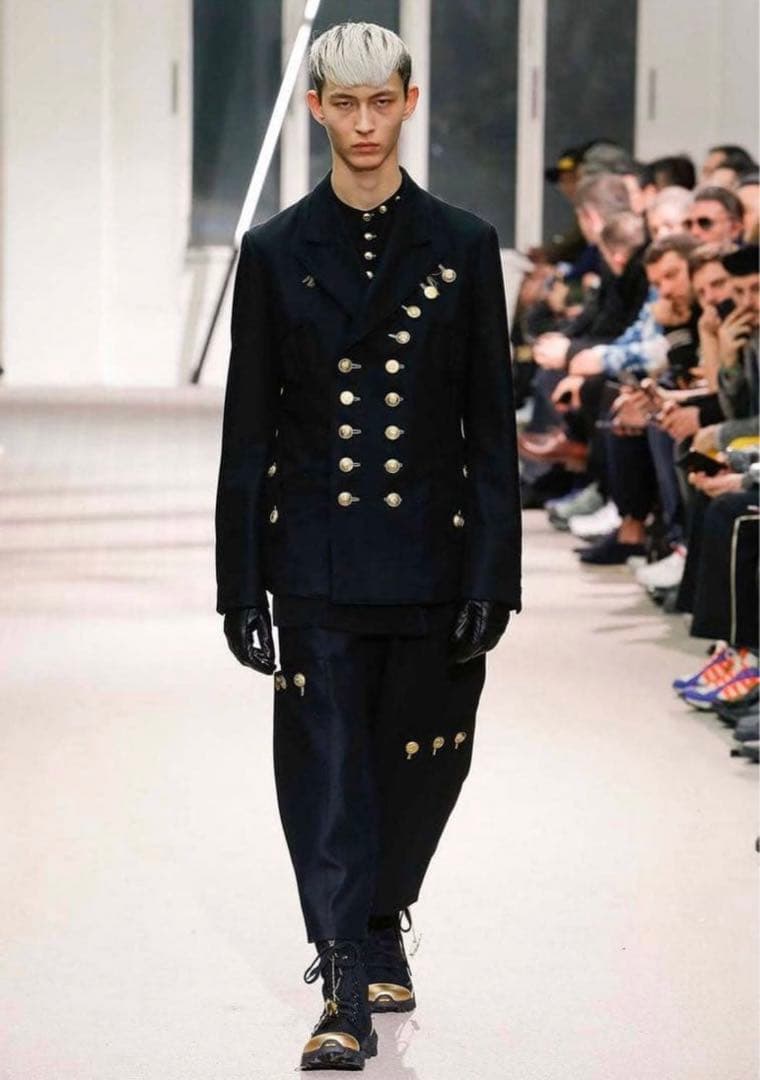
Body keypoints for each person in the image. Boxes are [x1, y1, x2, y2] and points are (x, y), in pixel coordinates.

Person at [214, 21, 522, 1072]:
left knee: (424, 756)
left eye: (379, 101)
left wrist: (494, 573)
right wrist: (238, 586)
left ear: (408, 102)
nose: (362, 123)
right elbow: (248, 433)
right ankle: (342, 976)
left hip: (430, 551)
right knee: (328, 767)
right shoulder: (274, 252)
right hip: (316, 555)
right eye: (341, 104)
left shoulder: (464, 245)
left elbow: (490, 425)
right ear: (314, 109)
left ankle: (385, 914)